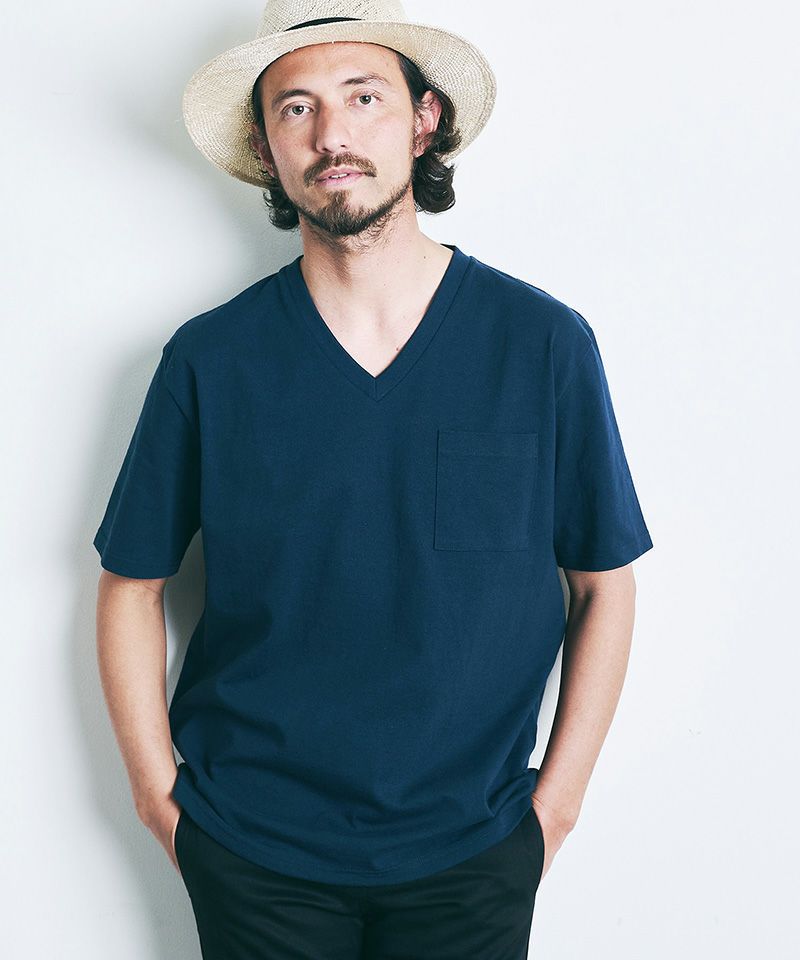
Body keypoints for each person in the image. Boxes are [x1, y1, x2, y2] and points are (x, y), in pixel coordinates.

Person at [93, 1, 654, 957]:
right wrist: (159, 802)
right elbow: (130, 584)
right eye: (297, 107)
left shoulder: (540, 344)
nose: (333, 135)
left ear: (423, 119)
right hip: (253, 850)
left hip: (474, 849)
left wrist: (551, 815)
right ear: (267, 147)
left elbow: (605, 584)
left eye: (364, 97)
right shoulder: (211, 360)